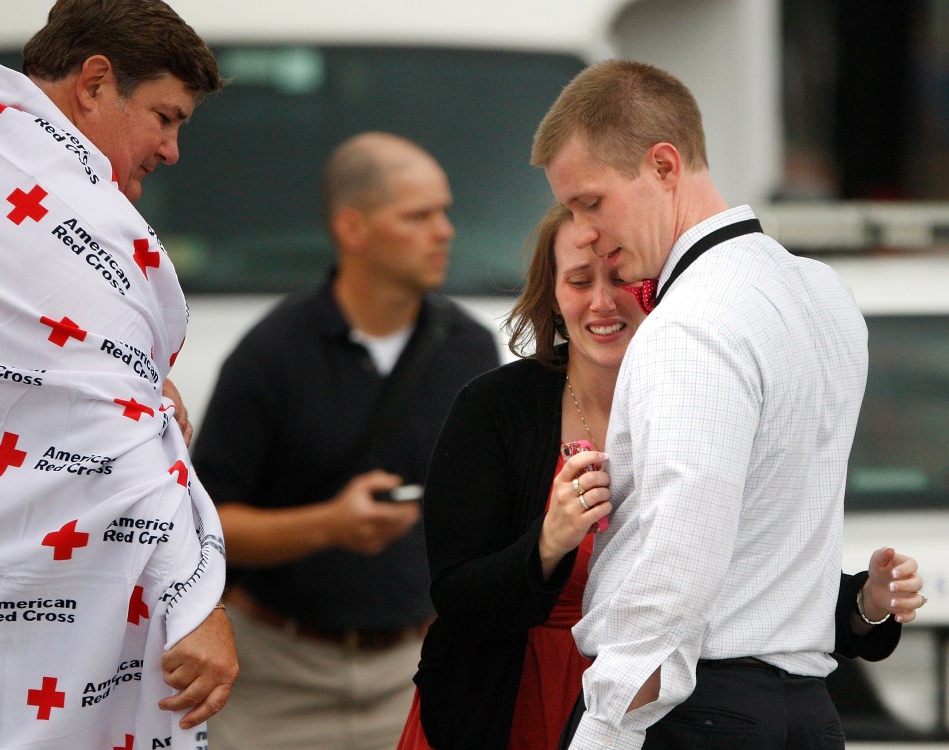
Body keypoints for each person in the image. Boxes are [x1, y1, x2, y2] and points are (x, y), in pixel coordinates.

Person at [396, 203, 926, 750]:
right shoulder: (493, 407)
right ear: (551, 295)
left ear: (657, 286)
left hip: (658, 711)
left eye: (621, 277)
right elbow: (456, 598)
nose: (603, 301)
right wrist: (549, 542)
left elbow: (752, 595)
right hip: (503, 707)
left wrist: (867, 603)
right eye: (579, 281)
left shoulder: (704, 386)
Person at [528, 59, 929, 749]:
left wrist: (604, 729)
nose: (585, 230)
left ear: (663, 165)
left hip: (698, 713)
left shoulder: (692, 321)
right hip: (803, 709)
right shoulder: (822, 293)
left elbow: (679, 551)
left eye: (590, 202)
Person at [0, 2, 238, 748]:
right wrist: (197, 604)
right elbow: (116, 433)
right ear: (95, 83)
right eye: (165, 118)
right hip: (49, 643)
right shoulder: (65, 219)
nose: (171, 150)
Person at [190, 131, 500, 750]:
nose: (444, 231)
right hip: (276, 678)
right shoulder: (271, 353)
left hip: (414, 673)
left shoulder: (470, 346)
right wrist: (328, 525)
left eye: (445, 211)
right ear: (352, 228)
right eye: (418, 215)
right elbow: (205, 527)